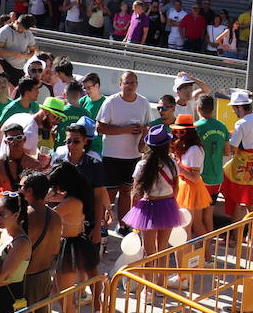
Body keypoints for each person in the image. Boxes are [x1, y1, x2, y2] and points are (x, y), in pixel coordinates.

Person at [46, 161, 99, 313]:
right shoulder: (75, 197)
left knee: (66, 300)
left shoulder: (71, 202)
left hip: (68, 249)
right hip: (70, 246)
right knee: (60, 294)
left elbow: (48, 217)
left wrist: (42, 200)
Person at [96, 71, 152, 232]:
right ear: (120, 84)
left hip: (134, 156)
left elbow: (148, 125)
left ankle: (123, 225)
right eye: (127, 82)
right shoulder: (111, 102)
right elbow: (100, 127)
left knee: (127, 192)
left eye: (133, 82)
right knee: (109, 193)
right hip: (112, 155)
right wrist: (124, 129)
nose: (130, 86)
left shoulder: (143, 102)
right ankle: (103, 226)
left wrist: (142, 132)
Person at [124, 124, 190, 259]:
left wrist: (133, 210)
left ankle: (148, 273)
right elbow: (176, 187)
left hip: (147, 207)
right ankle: (160, 274)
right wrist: (172, 203)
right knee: (163, 250)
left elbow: (135, 193)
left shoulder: (142, 165)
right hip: (167, 205)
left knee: (148, 251)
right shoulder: (172, 164)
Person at [20, 172, 60, 313]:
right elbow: (55, 249)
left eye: (21, 187)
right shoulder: (56, 217)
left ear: (29, 191)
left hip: (24, 278)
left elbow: (16, 248)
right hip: (45, 276)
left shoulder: (25, 215)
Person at [223, 90, 253, 222]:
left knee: (237, 200)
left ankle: (235, 233)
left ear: (239, 107)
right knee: (249, 200)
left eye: (234, 108)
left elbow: (232, 147)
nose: (233, 111)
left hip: (240, 163)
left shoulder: (241, 123)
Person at [194, 94, 228, 209]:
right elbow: (227, 152)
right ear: (213, 109)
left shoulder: (195, 127)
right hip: (217, 177)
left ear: (198, 108)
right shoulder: (222, 126)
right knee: (209, 212)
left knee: (197, 213)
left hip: (201, 177)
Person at [0, 14, 36, 85]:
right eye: (20, 28)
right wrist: (13, 53)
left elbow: (33, 51)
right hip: (4, 64)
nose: (22, 31)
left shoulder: (28, 33)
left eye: (25, 29)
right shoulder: (4, 31)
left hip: (20, 68)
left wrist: (26, 56)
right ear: (16, 22)